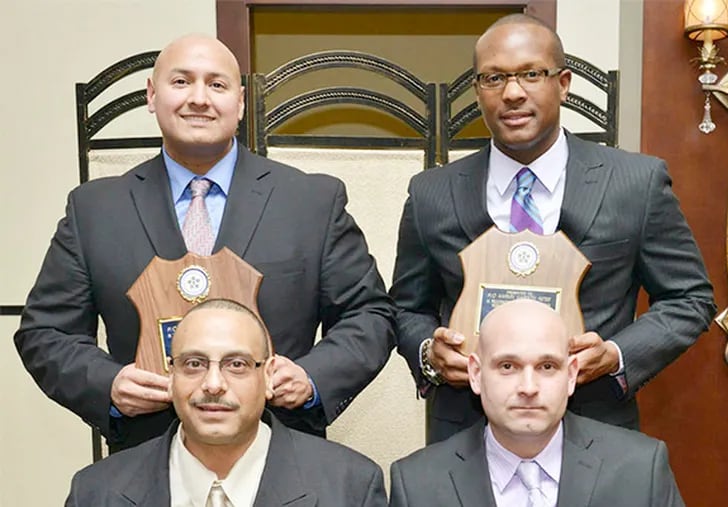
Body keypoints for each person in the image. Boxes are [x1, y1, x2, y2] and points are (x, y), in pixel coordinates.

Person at [15, 34, 395, 451]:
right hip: (145, 459)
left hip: (283, 456)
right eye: (181, 82)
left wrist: (312, 377)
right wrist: (109, 384)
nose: (199, 98)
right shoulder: (94, 209)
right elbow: (46, 332)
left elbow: (370, 315)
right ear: (151, 95)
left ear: (242, 101)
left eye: (216, 84)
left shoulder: (312, 202)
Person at [390, 13, 716, 443]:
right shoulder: (432, 192)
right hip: (465, 436)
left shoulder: (636, 183)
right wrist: (430, 353)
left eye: (531, 74)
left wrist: (615, 355)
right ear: (476, 90)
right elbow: (403, 308)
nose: (512, 93)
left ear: (562, 83)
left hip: (597, 431)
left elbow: (689, 298)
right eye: (493, 78)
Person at [65, 298, 387, 506]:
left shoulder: (349, 488)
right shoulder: (95, 493)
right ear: (171, 373)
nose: (214, 384)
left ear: (269, 375)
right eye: (194, 364)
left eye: (237, 364)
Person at [389, 299, 685, 507]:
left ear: (571, 375)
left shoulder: (641, 469)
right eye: (507, 366)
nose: (528, 388)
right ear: (476, 375)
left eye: (547, 367)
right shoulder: (417, 485)